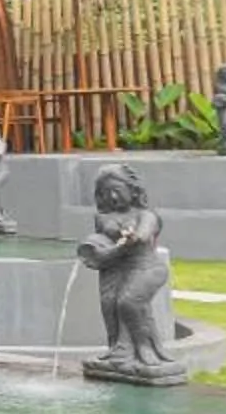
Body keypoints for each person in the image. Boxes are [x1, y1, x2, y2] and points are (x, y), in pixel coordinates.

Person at [78, 163, 184, 384]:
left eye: (117, 190)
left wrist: (133, 237)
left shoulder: (146, 215)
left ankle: (146, 349)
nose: (113, 196)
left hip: (147, 268)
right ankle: (119, 351)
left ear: (133, 190)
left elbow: (144, 234)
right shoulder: (103, 218)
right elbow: (103, 240)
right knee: (109, 305)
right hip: (117, 267)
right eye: (106, 192)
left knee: (128, 302)